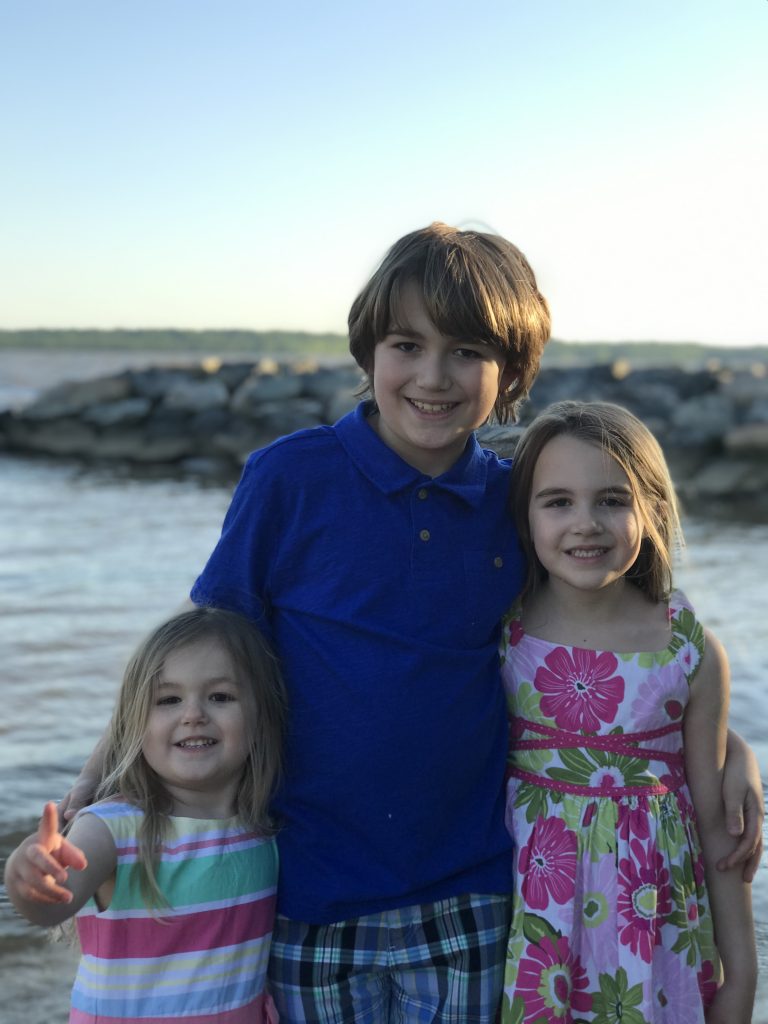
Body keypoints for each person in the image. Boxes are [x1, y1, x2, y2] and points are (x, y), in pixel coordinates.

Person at [20, 223, 763, 1023]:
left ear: (512, 371)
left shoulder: (516, 502)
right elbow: (196, 655)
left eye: (466, 352)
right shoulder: (290, 479)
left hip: (470, 895)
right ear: (368, 350)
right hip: (310, 889)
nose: (433, 377)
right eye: (407, 345)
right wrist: (97, 780)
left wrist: (723, 747)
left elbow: (601, 649)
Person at [499, 401, 757, 1023]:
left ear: (653, 509)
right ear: (523, 514)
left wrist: (742, 972)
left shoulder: (686, 648)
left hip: (654, 936)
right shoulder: (500, 631)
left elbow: (715, 818)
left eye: (613, 500)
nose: (585, 523)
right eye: (557, 502)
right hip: (529, 926)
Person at [4, 607, 287, 1024]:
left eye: (220, 697)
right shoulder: (114, 826)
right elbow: (52, 905)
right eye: (169, 700)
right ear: (132, 724)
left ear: (261, 715)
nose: (194, 714)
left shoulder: (262, 827)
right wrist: (29, 878)